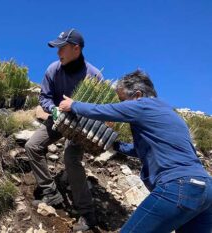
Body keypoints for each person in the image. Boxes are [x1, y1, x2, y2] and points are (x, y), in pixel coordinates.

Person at [59, 70, 212, 233]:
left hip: (178, 186)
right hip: (207, 191)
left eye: (122, 100)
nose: (120, 104)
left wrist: (73, 105)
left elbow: (103, 110)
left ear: (138, 95)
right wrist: (115, 145)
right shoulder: (169, 113)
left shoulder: (143, 105)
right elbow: (142, 150)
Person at [25, 28, 103, 231]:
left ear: (76, 48)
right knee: (32, 146)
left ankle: (87, 214)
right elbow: (44, 97)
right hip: (58, 119)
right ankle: (51, 194)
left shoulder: (93, 76)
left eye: (62, 48)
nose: (58, 52)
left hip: (81, 125)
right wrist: (54, 110)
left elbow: (100, 108)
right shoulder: (53, 69)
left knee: (71, 158)